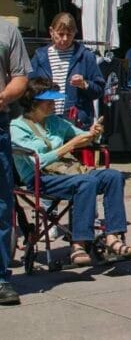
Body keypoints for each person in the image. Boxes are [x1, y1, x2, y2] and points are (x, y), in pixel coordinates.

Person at [11, 78, 131, 267]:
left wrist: (93, 133)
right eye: (49, 102)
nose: (54, 105)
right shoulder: (17, 127)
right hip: (41, 178)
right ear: (34, 103)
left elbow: (81, 136)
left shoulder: (55, 122)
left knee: (113, 176)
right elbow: (36, 161)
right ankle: (78, 244)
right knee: (86, 183)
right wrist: (68, 146)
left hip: (69, 171)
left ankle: (113, 237)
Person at [28, 13, 104, 127]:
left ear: (75, 33)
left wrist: (85, 84)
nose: (65, 39)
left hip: (75, 121)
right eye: (61, 34)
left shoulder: (85, 56)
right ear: (51, 31)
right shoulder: (40, 56)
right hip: (44, 119)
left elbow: (99, 90)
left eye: (69, 34)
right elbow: (29, 86)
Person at [0, 17, 30, 305]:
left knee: (0, 204)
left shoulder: (7, 30)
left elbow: (20, 77)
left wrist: (4, 96)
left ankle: (0, 278)